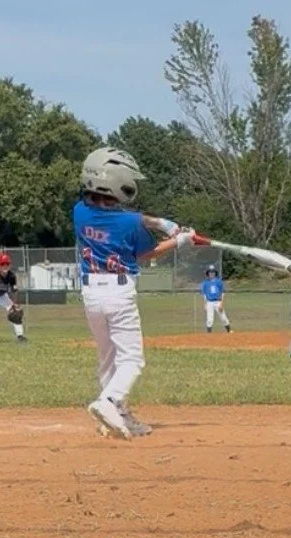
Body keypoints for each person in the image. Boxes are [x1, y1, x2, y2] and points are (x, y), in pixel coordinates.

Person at [74, 146, 195, 440]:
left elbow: (134, 218)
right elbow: (147, 251)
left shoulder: (79, 211)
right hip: (118, 294)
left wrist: (161, 223)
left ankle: (117, 417)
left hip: (90, 293)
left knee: (108, 357)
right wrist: (180, 240)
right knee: (131, 360)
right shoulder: (129, 223)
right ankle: (110, 401)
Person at [200, 264, 232, 333]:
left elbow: (222, 293)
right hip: (209, 302)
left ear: (215, 273)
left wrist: (221, 303)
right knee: (209, 319)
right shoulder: (205, 283)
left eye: (213, 272)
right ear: (208, 273)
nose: (211, 273)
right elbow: (204, 294)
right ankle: (209, 334)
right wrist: (205, 304)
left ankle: (229, 331)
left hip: (218, 301)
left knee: (223, 317)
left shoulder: (218, 281)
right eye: (210, 272)